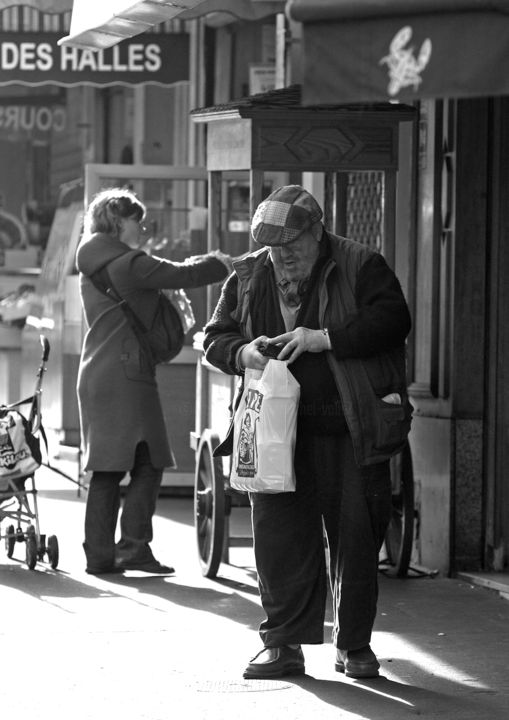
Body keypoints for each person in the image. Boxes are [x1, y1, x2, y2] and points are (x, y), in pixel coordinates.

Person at [203, 185, 412, 679]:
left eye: (291, 244)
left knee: (357, 537)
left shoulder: (362, 264)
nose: (282, 256)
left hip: (348, 427)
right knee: (278, 538)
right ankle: (283, 644)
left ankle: (354, 645)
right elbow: (215, 337)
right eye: (273, 247)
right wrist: (242, 353)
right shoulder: (251, 272)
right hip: (275, 433)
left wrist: (326, 339)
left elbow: (393, 321)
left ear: (318, 231)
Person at [76, 187, 231, 575]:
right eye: (136, 221)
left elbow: (167, 271)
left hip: (98, 369)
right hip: (127, 372)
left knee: (109, 466)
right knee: (151, 460)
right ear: (117, 222)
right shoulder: (128, 264)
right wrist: (222, 263)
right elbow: (182, 274)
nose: (142, 229)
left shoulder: (94, 262)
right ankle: (133, 547)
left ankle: (100, 554)